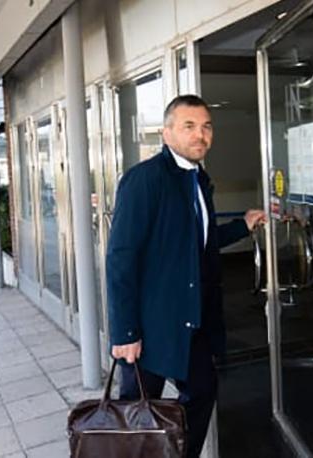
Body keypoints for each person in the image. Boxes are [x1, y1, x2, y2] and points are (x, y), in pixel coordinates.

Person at [106, 94, 266, 458]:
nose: (200, 135)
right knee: (135, 412)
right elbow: (120, 259)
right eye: (189, 126)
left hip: (191, 323)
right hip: (148, 328)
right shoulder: (144, 181)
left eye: (206, 126)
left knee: (202, 391)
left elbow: (199, 244)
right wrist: (125, 332)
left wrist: (241, 225)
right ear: (167, 133)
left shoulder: (197, 180)